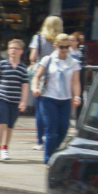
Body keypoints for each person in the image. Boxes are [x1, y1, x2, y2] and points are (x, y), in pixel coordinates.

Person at [32, 33, 83, 164]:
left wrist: (76, 96)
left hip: (65, 99)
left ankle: (54, 150)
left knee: (64, 129)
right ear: (56, 46)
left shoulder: (74, 63)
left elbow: (76, 82)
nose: (64, 50)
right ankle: (48, 159)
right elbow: (37, 76)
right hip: (48, 98)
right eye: (61, 47)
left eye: (67, 47)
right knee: (51, 130)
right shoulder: (47, 60)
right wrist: (35, 88)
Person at [0, 38, 30, 160]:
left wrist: (24, 101)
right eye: (11, 48)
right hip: (2, 97)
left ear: (21, 51)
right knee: (2, 123)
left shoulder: (22, 68)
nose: (13, 51)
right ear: (7, 51)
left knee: (10, 126)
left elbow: (25, 86)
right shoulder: (2, 64)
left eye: (16, 48)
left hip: (15, 99)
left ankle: (5, 148)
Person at [30, 15, 65, 149]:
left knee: (40, 110)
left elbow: (33, 57)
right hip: (57, 76)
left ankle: (40, 140)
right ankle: (51, 136)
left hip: (41, 76)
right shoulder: (61, 41)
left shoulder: (38, 38)